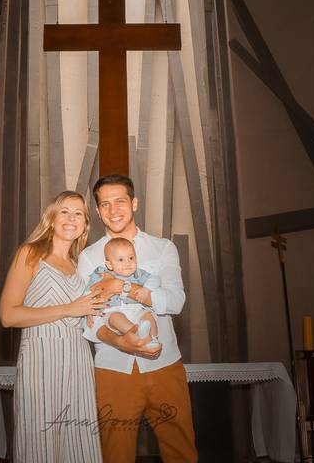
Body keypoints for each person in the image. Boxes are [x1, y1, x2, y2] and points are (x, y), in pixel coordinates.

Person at [79, 175, 198, 463]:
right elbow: (89, 320)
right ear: (98, 211)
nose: (113, 210)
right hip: (112, 367)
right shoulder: (89, 257)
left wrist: (124, 287)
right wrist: (121, 342)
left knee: (181, 451)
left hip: (164, 364)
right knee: (115, 454)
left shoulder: (163, 248)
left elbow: (176, 301)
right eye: (105, 204)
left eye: (120, 201)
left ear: (134, 203)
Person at [0, 191, 104, 463]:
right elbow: (8, 315)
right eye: (64, 211)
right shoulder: (30, 254)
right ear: (52, 218)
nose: (71, 218)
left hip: (79, 360)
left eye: (78, 213)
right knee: (40, 444)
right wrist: (69, 309)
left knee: (79, 445)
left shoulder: (80, 266)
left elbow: (87, 312)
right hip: (41, 359)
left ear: (85, 223)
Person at [84, 237, 160, 348]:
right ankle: (139, 334)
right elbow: (89, 291)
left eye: (131, 258)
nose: (128, 263)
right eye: (121, 260)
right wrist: (88, 309)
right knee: (115, 318)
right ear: (109, 264)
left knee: (148, 317)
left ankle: (153, 340)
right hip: (113, 309)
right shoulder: (101, 274)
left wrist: (147, 289)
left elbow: (155, 279)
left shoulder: (139, 274)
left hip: (136, 308)